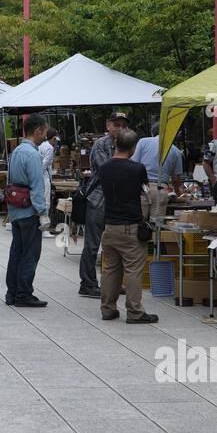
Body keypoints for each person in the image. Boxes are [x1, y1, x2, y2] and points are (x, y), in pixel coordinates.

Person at [99, 128, 157, 324]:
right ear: (133, 148)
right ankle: (135, 312)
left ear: (116, 144)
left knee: (110, 270)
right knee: (133, 270)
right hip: (130, 227)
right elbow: (146, 194)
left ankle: (107, 308)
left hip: (109, 227)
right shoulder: (137, 169)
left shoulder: (104, 167)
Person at [78, 112, 127, 298]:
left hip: (117, 202)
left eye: (123, 125)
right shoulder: (101, 145)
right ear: (108, 126)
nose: (120, 128)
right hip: (98, 200)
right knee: (92, 245)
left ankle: (113, 282)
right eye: (117, 125)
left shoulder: (126, 145)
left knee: (115, 245)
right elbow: (108, 170)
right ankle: (88, 284)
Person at [4, 114, 50, 307]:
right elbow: (37, 186)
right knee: (30, 253)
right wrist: (43, 213)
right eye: (45, 132)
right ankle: (24, 293)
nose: (45, 136)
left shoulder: (17, 151)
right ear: (38, 130)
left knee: (17, 251)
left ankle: (12, 293)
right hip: (29, 210)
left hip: (16, 209)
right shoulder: (32, 154)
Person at [132, 121, 185, 194]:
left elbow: (133, 165)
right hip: (162, 188)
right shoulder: (176, 151)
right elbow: (176, 179)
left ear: (152, 133)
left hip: (143, 187)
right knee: (159, 205)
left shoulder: (142, 142)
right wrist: (177, 192)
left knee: (143, 204)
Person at [39, 127, 58, 238]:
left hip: (40, 176)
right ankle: (45, 229)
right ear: (54, 138)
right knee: (46, 203)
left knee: (40, 202)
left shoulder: (41, 145)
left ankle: (41, 227)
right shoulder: (50, 148)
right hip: (44, 177)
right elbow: (45, 164)